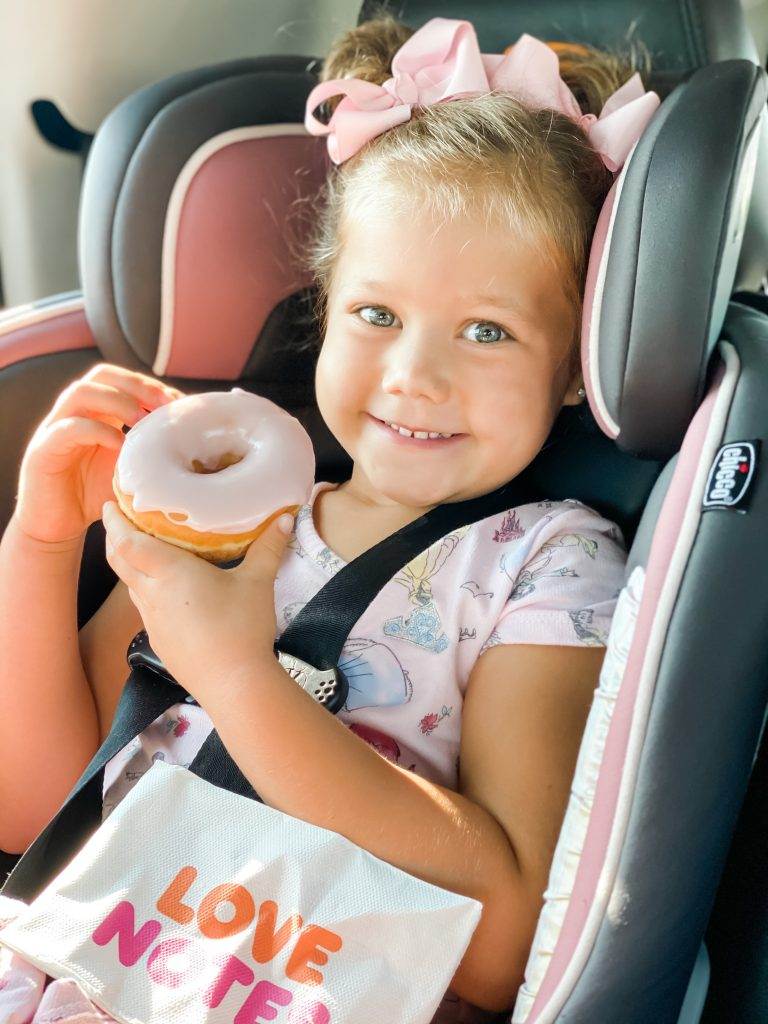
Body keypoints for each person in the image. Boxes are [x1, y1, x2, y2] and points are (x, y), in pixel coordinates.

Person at [0, 14, 659, 1024]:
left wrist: (233, 675)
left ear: (573, 364)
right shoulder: (225, 511)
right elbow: (39, 807)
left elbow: (499, 947)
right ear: (326, 306)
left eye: (487, 329)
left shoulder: (548, 563)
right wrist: (42, 544)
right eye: (377, 315)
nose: (415, 375)